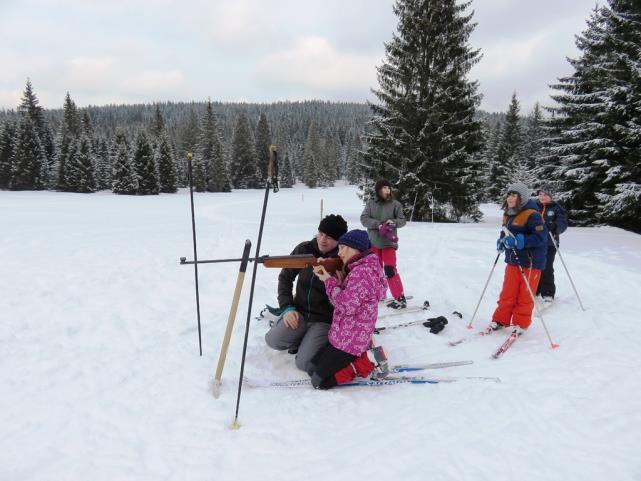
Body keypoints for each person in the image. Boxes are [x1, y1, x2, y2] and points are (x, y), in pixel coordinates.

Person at [265, 214, 348, 373]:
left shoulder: (342, 258)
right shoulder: (304, 249)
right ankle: (302, 337)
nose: (323, 239)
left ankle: (320, 341)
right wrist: (288, 308)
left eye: (329, 237)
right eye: (321, 233)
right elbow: (285, 277)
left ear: (339, 241)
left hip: (324, 319)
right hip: (300, 312)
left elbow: (347, 298)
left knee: (304, 363)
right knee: (272, 341)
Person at [308, 229, 388, 389]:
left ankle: (362, 364)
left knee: (319, 382)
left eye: (343, 248)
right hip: (343, 334)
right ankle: (359, 358)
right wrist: (340, 282)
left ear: (356, 248)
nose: (340, 253)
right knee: (311, 368)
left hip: (351, 341)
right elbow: (347, 299)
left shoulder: (362, 273)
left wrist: (328, 280)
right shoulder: (359, 269)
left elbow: (345, 306)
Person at [489, 182, 548, 335]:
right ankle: (501, 319)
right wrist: (501, 241)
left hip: (531, 262)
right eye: (509, 194)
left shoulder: (532, 214)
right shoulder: (508, 213)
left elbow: (540, 237)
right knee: (507, 293)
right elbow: (505, 232)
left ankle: (520, 323)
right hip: (513, 260)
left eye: (514, 195)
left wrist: (520, 240)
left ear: (522, 198)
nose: (510, 197)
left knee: (525, 296)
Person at [360, 178, 408, 309]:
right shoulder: (371, 204)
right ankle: (378, 295)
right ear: (378, 190)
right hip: (374, 242)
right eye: (384, 188)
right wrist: (378, 224)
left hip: (388, 242)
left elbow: (402, 220)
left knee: (389, 269)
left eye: (388, 188)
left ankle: (400, 297)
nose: (387, 190)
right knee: (375, 271)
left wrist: (393, 222)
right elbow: (363, 219)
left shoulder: (395, 204)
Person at [535, 185, 568, 303]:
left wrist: (554, 226)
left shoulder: (556, 208)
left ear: (551, 196)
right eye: (540, 194)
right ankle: (535, 289)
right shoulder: (533, 206)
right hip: (535, 243)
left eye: (545, 195)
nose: (542, 197)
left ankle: (547, 292)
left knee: (546, 267)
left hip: (550, 243)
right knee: (534, 267)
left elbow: (562, 224)